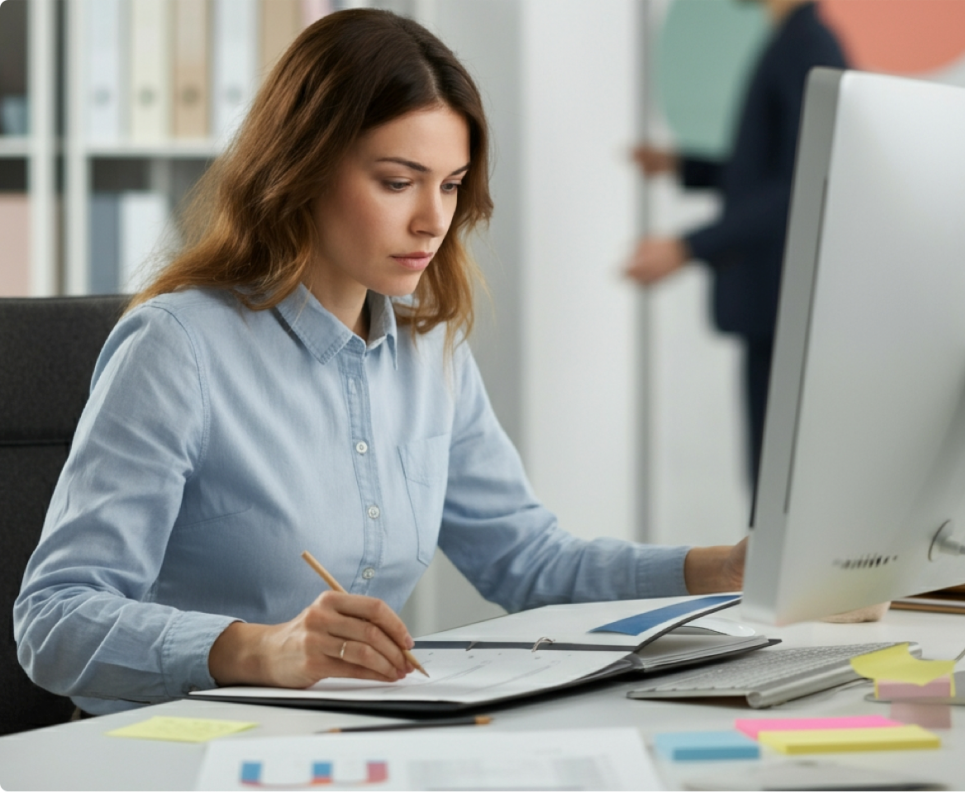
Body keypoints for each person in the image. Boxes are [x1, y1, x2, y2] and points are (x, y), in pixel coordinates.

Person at [14, 9, 746, 717]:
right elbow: (53, 620)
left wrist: (723, 569)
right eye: (398, 182)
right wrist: (264, 649)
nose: (433, 219)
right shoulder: (177, 348)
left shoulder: (432, 350)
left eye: (452, 184)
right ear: (302, 168)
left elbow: (531, 560)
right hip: (174, 749)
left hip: (342, 739)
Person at [625, 0, 847, 488]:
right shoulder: (792, 41)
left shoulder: (808, 46)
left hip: (785, 300)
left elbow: (804, 183)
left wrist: (689, 246)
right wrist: (684, 166)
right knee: (772, 480)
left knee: (779, 485)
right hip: (776, 305)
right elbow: (768, 170)